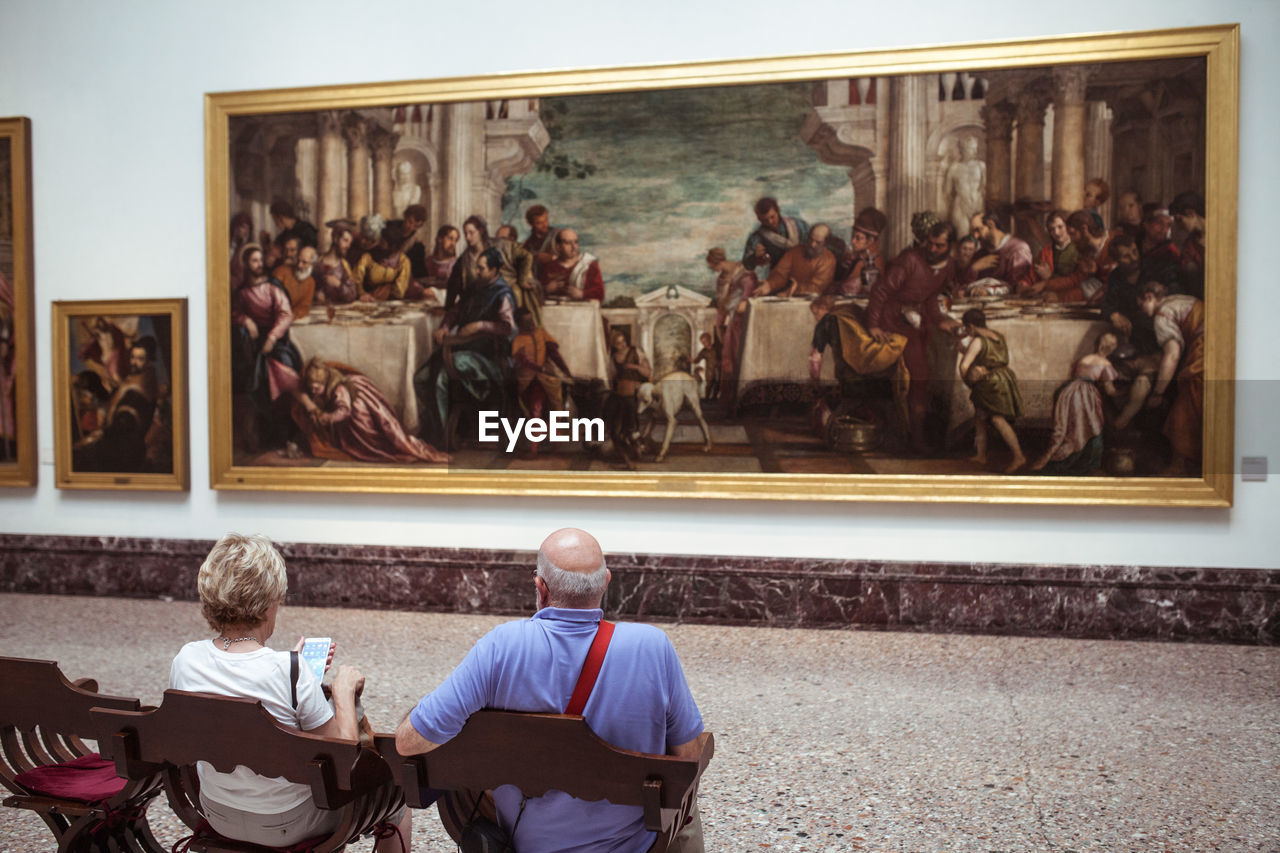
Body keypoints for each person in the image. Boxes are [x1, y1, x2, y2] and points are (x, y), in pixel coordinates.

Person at [395, 527, 703, 853]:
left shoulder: (500, 647)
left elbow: (408, 740)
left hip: (529, 844)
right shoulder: (652, 647)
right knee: (687, 809)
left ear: (540, 588)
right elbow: (688, 759)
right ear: (606, 582)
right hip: (631, 846)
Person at [170, 533, 412, 851]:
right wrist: (342, 692)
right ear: (269, 602)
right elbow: (344, 759)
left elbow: (243, 678)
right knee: (397, 797)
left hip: (217, 812)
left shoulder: (187, 659)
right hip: (289, 821)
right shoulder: (289, 671)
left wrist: (299, 678)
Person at [867, 219, 962, 452]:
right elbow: (881, 291)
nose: (932, 249)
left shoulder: (948, 267)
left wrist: (940, 320)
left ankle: (920, 432)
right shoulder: (910, 260)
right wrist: (873, 325)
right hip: (892, 320)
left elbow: (930, 298)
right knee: (919, 375)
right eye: (930, 243)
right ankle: (916, 438)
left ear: (950, 246)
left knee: (929, 371)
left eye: (939, 246)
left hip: (916, 322)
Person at [415, 247, 517, 448]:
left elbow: (508, 328)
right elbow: (455, 311)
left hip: (488, 356)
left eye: (482, 269)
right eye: (477, 268)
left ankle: (442, 436)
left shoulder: (502, 294)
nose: (477, 272)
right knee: (421, 378)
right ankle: (435, 427)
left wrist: (480, 326)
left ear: (495, 270)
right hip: (461, 349)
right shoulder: (474, 288)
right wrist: (444, 327)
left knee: (442, 378)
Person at [294, 358, 449, 464]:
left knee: (373, 443)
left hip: (358, 415)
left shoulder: (339, 390)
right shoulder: (328, 386)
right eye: (311, 388)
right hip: (354, 407)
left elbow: (344, 410)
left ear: (325, 381)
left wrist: (328, 418)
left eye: (317, 387)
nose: (314, 391)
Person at [232, 244, 302, 449]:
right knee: (256, 382)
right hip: (253, 343)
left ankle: (287, 433)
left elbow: (286, 314)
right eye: (254, 260)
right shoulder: (242, 291)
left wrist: (271, 338)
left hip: (277, 341)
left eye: (260, 260)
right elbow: (233, 312)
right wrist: (247, 321)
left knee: (283, 374)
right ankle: (264, 435)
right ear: (246, 264)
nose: (259, 264)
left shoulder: (273, 286)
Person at [1031, 331, 1124, 474]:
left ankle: (1057, 458)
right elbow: (1110, 391)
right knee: (1092, 427)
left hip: (1066, 391)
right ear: (1112, 348)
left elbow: (1075, 375)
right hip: (1085, 394)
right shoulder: (1106, 363)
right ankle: (1087, 464)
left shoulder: (1084, 358)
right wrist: (1125, 393)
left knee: (1069, 428)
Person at [1139, 281, 1204, 473]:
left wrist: (1157, 393)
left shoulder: (1162, 315)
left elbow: (1172, 354)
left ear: (1150, 297)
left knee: (1186, 405)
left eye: (1141, 304)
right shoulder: (1178, 300)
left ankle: (1179, 465)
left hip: (1205, 349)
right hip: (1213, 343)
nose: (1142, 310)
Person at [957, 308, 1025, 473]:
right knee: (980, 416)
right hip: (1003, 378)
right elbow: (987, 356)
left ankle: (1019, 456)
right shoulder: (997, 336)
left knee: (996, 419)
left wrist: (969, 382)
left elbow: (964, 365)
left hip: (990, 383)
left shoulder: (978, 341)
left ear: (971, 326)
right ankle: (981, 455)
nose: (967, 332)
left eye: (966, 328)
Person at [511, 309, 574, 457]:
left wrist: (566, 371)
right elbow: (524, 361)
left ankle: (548, 446)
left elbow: (554, 353)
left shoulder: (541, 333)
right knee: (535, 409)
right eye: (527, 322)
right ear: (520, 324)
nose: (531, 324)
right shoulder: (518, 340)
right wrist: (541, 369)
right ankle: (536, 448)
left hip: (547, 379)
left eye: (531, 320)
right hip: (529, 380)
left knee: (547, 409)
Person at [705, 248, 756, 401]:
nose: (712, 270)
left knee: (744, 356)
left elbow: (749, 291)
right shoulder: (721, 279)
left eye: (712, 267)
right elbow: (721, 304)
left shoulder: (744, 271)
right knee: (729, 358)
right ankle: (730, 399)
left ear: (718, 262)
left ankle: (744, 398)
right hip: (732, 322)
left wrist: (744, 301)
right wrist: (719, 324)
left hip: (746, 320)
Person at [604, 328, 650, 468]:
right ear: (613, 345)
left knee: (630, 423)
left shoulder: (636, 352)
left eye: (623, 341)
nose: (623, 345)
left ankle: (633, 451)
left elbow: (647, 372)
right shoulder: (613, 357)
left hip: (634, 395)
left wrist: (635, 367)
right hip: (619, 396)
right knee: (614, 425)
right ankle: (626, 456)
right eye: (618, 344)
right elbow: (611, 378)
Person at [961, 208, 1032, 295]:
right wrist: (973, 269)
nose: (975, 236)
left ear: (991, 224)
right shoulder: (980, 254)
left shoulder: (1018, 249)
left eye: (978, 230)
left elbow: (1018, 286)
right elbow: (963, 286)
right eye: (973, 232)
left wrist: (988, 291)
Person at [759, 224, 835, 297]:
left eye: (818, 242)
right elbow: (780, 274)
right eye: (810, 239)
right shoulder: (794, 252)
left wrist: (796, 288)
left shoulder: (829, 259)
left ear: (825, 244)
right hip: (788, 298)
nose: (812, 244)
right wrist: (769, 285)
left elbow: (817, 288)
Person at [353, 219, 417, 301]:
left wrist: (386, 291)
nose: (380, 246)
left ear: (393, 246)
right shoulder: (368, 257)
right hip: (367, 300)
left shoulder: (403, 261)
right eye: (380, 242)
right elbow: (356, 278)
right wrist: (362, 294)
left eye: (383, 243)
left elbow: (399, 291)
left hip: (391, 302)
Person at [742, 197, 808, 273]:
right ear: (759, 218)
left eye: (772, 217)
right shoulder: (757, 237)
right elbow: (747, 264)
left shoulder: (799, 225)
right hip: (779, 275)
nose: (770, 222)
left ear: (778, 210)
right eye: (765, 220)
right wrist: (755, 257)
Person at [834, 207, 888, 296]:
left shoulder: (872, 262)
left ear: (870, 240)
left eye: (858, 238)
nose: (853, 241)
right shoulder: (858, 257)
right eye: (853, 236)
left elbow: (848, 291)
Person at [542, 228, 604, 302]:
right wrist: (546, 289)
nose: (574, 247)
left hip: (582, 310)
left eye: (576, 242)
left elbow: (600, 293)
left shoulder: (589, 264)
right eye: (568, 243)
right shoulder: (549, 267)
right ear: (558, 247)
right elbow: (536, 293)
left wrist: (582, 294)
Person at [944, 136, 986, 240]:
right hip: (960, 205)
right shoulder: (954, 168)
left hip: (977, 204)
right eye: (971, 148)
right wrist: (962, 198)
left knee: (978, 237)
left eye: (975, 148)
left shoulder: (981, 166)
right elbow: (948, 191)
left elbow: (983, 187)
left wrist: (976, 201)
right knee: (962, 236)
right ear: (963, 149)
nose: (974, 151)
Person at [1169, 190, 1205, 301]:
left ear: (1191, 213)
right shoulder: (1189, 245)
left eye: (1179, 220)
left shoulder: (1221, 234)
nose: (1179, 226)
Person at [317, 220, 361, 305]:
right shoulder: (318, 262)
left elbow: (352, 295)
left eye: (350, 243)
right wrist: (316, 294)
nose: (348, 246)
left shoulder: (344, 266)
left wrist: (338, 284)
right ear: (335, 239)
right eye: (345, 240)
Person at [274, 245, 318, 318]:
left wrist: (291, 316)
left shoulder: (311, 282)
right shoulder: (281, 272)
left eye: (304, 262)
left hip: (290, 319)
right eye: (298, 260)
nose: (299, 265)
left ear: (312, 264)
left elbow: (304, 307)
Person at [420, 225, 460, 292]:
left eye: (455, 240)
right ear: (440, 239)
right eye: (450, 238)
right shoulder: (428, 261)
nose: (453, 244)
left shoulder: (456, 264)